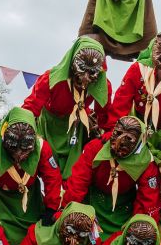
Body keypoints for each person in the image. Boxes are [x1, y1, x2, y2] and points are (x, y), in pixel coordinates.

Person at [0, 107, 62, 245]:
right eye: (13, 148)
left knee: (34, 236)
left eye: (24, 150)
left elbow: (52, 177)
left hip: (31, 201)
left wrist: (51, 208)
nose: (18, 155)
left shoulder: (42, 148)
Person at [22, 37, 111, 178]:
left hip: (76, 127)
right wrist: (19, 127)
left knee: (73, 172)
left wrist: (106, 134)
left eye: (92, 72)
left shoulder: (102, 84)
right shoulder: (52, 78)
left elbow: (105, 116)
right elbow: (31, 106)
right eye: (82, 70)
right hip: (49, 127)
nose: (86, 78)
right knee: (47, 168)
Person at [62, 115, 160, 237]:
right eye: (117, 133)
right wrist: (66, 212)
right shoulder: (95, 147)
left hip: (124, 208)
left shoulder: (146, 161)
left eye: (128, 139)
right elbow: (78, 183)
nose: (120, 141)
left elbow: (148, 201)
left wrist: (141, 229)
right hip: (92, 203)